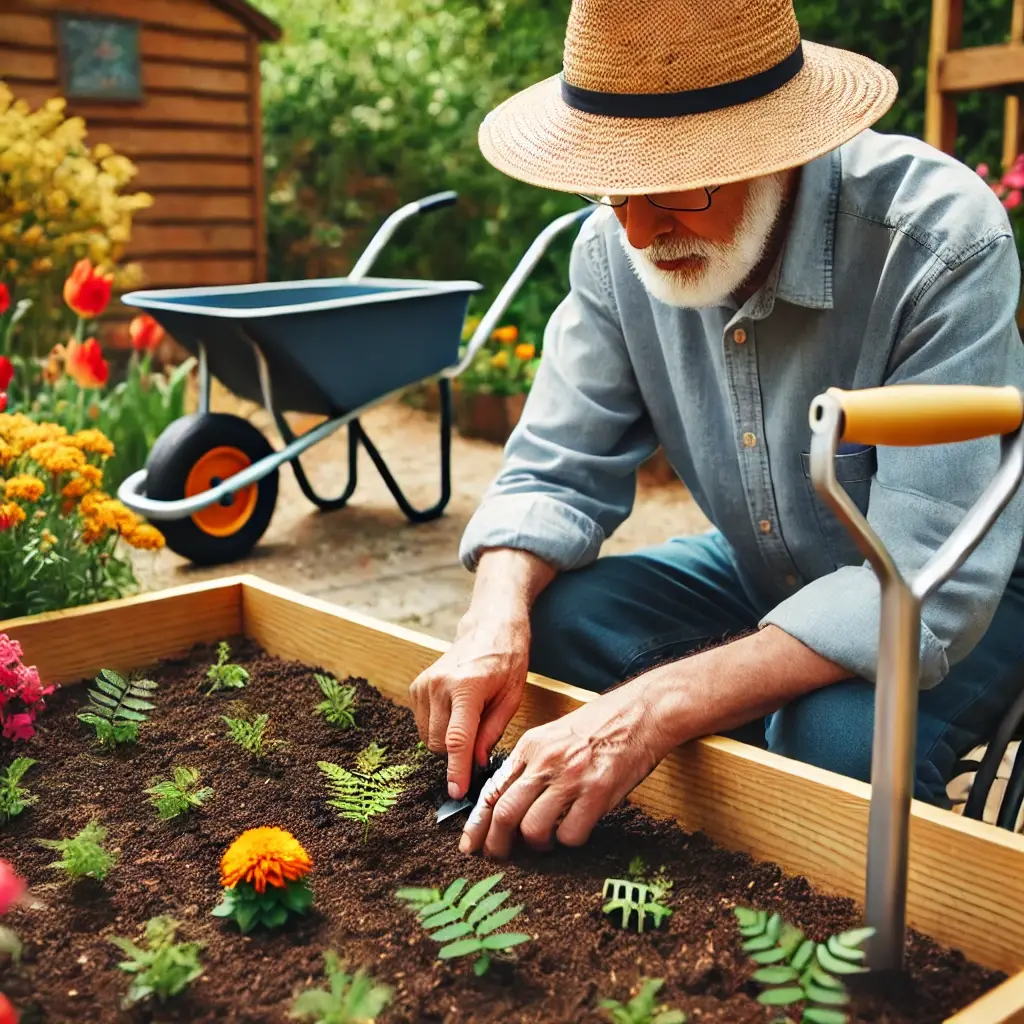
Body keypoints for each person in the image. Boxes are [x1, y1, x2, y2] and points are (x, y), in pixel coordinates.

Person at [409, 0, 1024, 860]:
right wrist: (493, 615)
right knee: (550, 627)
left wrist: (651, 708)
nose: (639, 228)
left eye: (677, 186)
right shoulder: (612, 249)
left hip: (974, 592)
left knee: (839, 748)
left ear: (780, 148)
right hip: (764, 568)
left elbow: (925, 580)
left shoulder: (933, 240)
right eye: (615, 186)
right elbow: (553, 469)